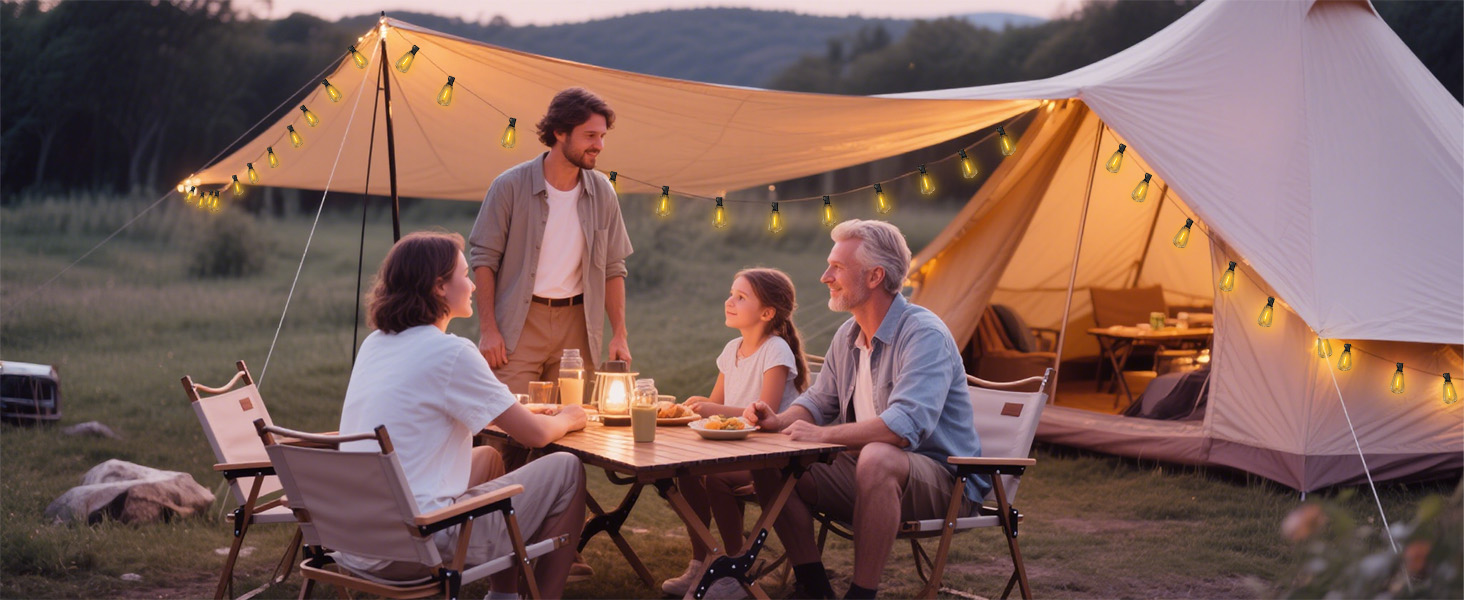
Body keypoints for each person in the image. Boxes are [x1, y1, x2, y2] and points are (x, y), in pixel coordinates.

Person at [741, 220, 989, 599]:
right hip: (866, 471)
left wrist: (821, 436)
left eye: (837, 267)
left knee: (877, 456)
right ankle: (814, 588)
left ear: (875, 276)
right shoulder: (849, 334)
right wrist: (779, 420)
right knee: (770, 459)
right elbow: (818, 401)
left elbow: (903, 427)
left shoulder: (924, 334)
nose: (825, 277)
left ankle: (861, 595)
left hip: (945, 481)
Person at [338, 231, 588, 599]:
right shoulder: (450, 352)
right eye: (465, 275)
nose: (472, 285)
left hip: (359, 542)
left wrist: (522, 409)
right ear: (439, 286)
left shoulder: (375, 344)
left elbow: (430, 407)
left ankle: (503, 595)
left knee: (488, 458)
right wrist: (570, 417)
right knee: (567, 468)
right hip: (418, 545)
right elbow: (534, 435)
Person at [470, 87, 634, 394]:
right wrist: (489, 330)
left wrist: (619, 335)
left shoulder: (603, 192)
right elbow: (484, 260)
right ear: (559, 132)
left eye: (602, 136)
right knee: (512, 417)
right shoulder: (509, 187)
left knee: (574, 417)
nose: (598, 145)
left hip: (578, 325)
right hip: (520, 324)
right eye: (590, 136)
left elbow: (614, 268)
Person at [662, 268, 811, 599]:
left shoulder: (775, 350)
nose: (729, 301)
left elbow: (765, 412)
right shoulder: (732, 349)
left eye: (740, 297)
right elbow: (716, 406)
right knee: (686, 471)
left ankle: (735, 569)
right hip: (737, 447)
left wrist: (711, 408)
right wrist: (698, 407)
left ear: (767, 313)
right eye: (731, 294)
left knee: (716, 477)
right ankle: (701, 562)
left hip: (772, 455)